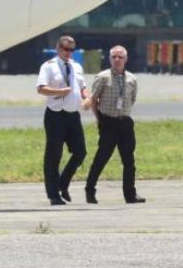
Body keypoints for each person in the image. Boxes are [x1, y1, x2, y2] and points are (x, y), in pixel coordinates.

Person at [84, 45, 144, 204]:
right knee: (102, 157)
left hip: (125, 122)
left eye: (120, 57)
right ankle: (90, 190)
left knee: (129, 161)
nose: (117, 60)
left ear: (126, 59)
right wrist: (100, 119)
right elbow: (93, 99)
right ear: (110, 59)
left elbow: (132, 99)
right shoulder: (102, 77)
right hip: (108, 121)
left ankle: (130, 194)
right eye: (114, 57)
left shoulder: (132, 79)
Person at [36, 36, 88, 206]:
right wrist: (58, 91)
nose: (68, 53)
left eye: (71, 50)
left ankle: (63, 183)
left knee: (80, 152)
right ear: (58, 48)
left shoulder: (76, 66)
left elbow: (82, 87)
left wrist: (86, 98)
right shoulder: (49, 66)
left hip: (73, 114)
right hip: (55, 115)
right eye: (65, 49)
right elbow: (41, 88)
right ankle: (53, 195)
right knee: (53, 156)